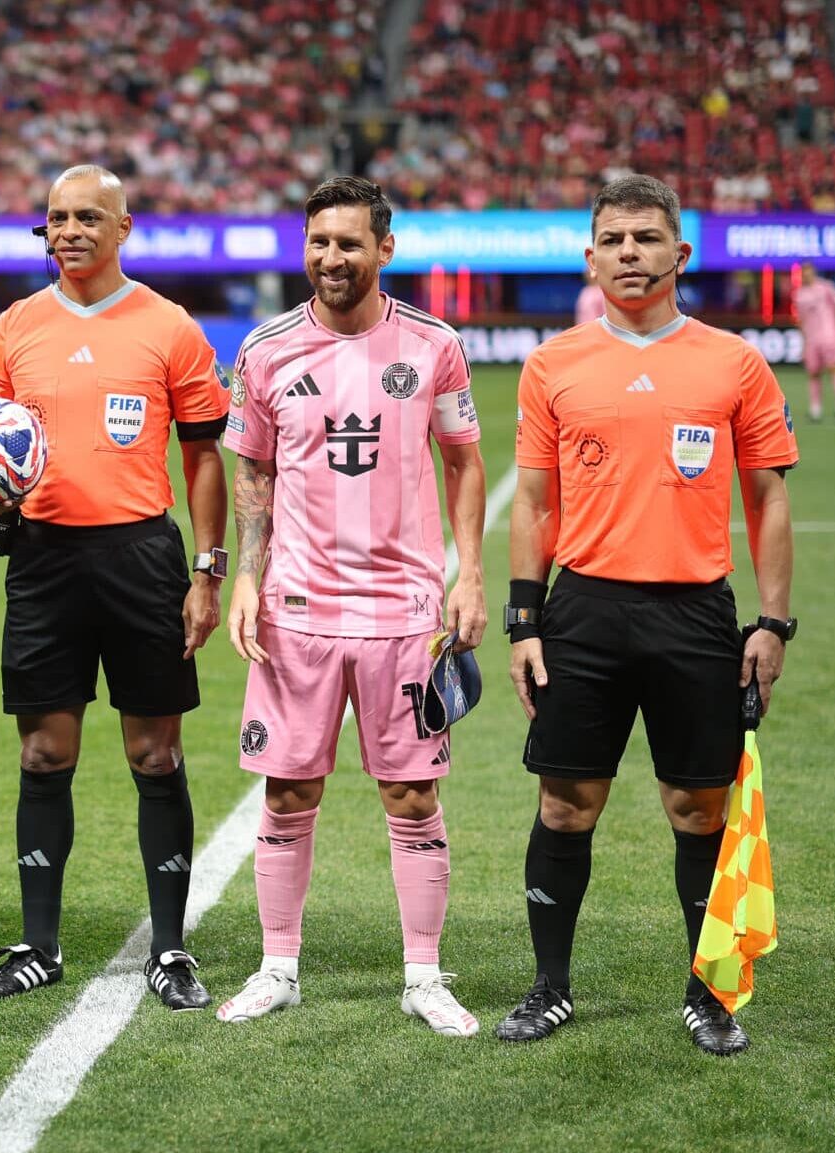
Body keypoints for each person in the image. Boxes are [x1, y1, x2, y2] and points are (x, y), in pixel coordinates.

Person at [497, 174, 798, 1055]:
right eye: (614, 239)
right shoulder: (553, 364)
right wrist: (524, 622)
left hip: (696, 613)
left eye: (646, 238)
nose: (630, 252)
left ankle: (708, 994)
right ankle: (550, 986)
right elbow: (534, 506)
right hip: (583, 610)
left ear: (680, 253)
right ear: (590, 257)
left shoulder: (734, 361)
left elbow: (767, 499)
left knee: (698, 807)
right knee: (565, 804)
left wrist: (772, 625)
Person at [212, 176, 487, 1037]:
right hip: (296, 610)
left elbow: (465, 459)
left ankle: (423, 974)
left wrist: (469, 571)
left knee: (411, 795)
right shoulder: (264, 351)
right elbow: (252, 468)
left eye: (349, 243)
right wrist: (248, 575)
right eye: (319, 242)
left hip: (406, 612)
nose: (332, 258)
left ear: (384, 249)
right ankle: (279, 966)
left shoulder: (434, 345)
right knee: (289, 790)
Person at [0, 166, 228, 1011]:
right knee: (44, 754)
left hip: (143, 558)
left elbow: (205, 454)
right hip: (43, 560)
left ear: (124, 226)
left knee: (155, 753)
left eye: (86, 217)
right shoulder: (13, 331)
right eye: (56, 218)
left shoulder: (169, 327)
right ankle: (38, 942)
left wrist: (208, 570)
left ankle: (171, 948)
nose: (68, 231)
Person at [793, 261, 835, 422]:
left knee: (834, 369)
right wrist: (804, 343)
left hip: (829, 336)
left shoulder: (827, 288)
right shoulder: (799, 294)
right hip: (812, 340)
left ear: (814, 272)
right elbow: (801, 321)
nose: (806, 274)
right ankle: (815, 409)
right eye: (803, 272)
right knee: (813, 374)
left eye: (808, 271)